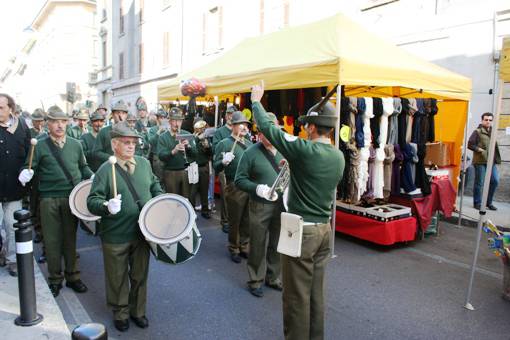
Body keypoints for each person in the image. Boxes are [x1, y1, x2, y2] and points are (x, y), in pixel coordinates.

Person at [251, 82, 344, 340]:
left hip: (303, 232)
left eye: (306, 125)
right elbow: (313, 176)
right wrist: (294, 165)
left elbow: (272, 130)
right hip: (325, 229)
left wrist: (256, 102)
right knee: (315, 294)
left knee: (295, 297)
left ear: (313, 127)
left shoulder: (305, 150)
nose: (304, 129)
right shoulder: (338, 156)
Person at [87, 121, 163, 332]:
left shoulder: (144, 164)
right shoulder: (105, 169)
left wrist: (159, 201)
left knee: (139, 275)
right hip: (115, 234)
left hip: (141, 232)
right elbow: (92, 201)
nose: (131, 146)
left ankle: (138, 311)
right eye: (126, 142)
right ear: (114, 145)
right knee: (117, 277)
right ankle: (120, 312)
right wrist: (106, 206)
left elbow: (155, 184)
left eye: (134, 142)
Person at [18, 105, 93, 297]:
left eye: (63, 121)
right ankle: (55, 279)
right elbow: (29, 166)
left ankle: (73, 277)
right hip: (48, 198)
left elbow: (83, 167)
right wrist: (24, 173)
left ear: (67, 123)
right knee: (52, 241)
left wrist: (92, 177)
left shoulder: (76, 145)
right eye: (55, 121)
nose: (60, 125)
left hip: (71, 197)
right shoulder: (39, 145)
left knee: (70, 239)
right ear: (47, 124)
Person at [235, 112, 284, 297]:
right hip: (259, 204)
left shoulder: (284, 149)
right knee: (257, 243)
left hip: (280, 203)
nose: (268, 136)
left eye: (272, 131)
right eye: (264, 132)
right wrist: (257, 188)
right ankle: (255, 279)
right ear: (259, 133)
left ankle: (273, 277)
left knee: (277, 242)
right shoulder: (250, 152)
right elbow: (240, 180)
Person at [213, 111, 253, 263]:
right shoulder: (224, 144)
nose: (244, 127)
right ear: (233, 126)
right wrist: (222, 162)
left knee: (247, 219)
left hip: (249, 185)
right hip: (234, 185)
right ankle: (234, 248)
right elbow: (216, 166)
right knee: (235, 220)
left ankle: (244, 246)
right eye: (240, 124)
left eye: (246, 124)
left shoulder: (250, 144)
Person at [0, 93, 31, 276]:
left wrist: (27, 171)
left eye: (1, 107)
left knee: (13, 226)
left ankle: (12, 260)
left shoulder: (22, 128)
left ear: (10, 108)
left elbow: (29, 155)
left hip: (14, 188)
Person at [157, 107, 197, 200]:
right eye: (174, 121)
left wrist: (188, 147)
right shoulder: (163, 137)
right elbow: (161, 156)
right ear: (169, 121)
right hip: (170, 173)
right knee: (173, 201)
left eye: (179, 121)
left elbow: (195, 154)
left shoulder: (187, 134)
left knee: (186, 200)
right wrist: (173, 151)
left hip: (186, 171)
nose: (177, 124)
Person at [468, 112, 500, 210]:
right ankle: (477, 202)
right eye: (486, 120)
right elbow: (470, 144)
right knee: (479, 183)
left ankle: (488, 202)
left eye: (490, 120)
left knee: (495, 181)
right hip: (480, 161)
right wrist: (479, 150)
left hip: (491, 161)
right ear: (482, 120)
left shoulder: (493, 132)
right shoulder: (477, 131)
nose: (488, 121)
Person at [212, 106, 236, 233]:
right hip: (224, 165)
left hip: (236, 166)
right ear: (226, 115)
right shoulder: (220, 131)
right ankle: (225, 221)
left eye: (232, 114)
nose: (230, 116)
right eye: (228, 114)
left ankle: (234, 220)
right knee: (226, 194)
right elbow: (215, 148)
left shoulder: (241, 131)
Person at [190, 118, 212, 219]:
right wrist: (198, 138)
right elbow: (190, 148)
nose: (201, 129)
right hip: (193, 167)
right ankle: (191, 211)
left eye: (202, 127)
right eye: (199, 127)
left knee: (204, 190)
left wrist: (207, 146)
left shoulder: (205, 138)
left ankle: (205, 210)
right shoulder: (192, 137)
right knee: (192, 192)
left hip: (204, 167)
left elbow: (210, 154)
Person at [147, 109, 169, 186]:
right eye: (161, 117)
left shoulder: (169, 129)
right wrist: (159, 131)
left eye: (164, 117)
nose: (163, 119)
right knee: (158, 179)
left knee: (168, 179)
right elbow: (151, 142)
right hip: (157, 157)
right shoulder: (153, 129)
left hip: (168, 155)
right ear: (157, 118)